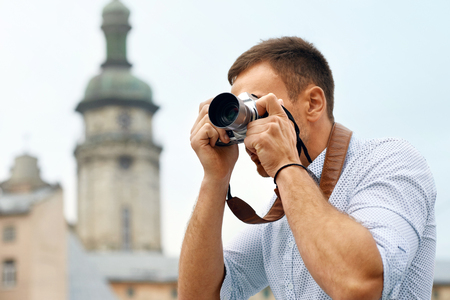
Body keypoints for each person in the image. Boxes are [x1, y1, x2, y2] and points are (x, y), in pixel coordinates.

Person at [179, 37, 436, 300]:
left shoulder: (390, 161)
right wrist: (215, 178)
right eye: (241, 115)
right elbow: (198, 296)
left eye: (259, 108)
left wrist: (285, 165)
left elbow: (358, 285)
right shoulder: (280, 214)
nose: (247, 132)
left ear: (313, 103)